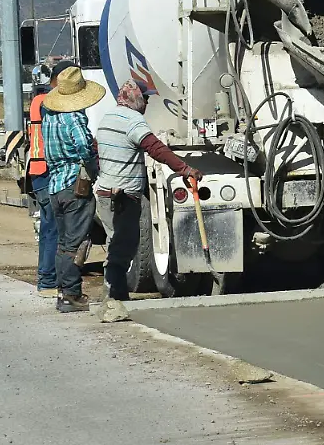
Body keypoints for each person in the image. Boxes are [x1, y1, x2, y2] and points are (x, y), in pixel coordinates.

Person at [93, 80, 202, 323]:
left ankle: (114, 294)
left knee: (116, 243)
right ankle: (113, 300)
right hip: (122, 196)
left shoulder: (109, 116)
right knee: (124, 246)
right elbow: (155, 149)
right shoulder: (133, 121)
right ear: (135, 98)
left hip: (105, 193)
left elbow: (98, 150)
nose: (148, 102)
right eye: (146, 98)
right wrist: (184, 169)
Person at [42, 65, 106, 313]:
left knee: (63, 242)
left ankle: (63, 291)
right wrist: (93, 161)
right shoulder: (74, 116)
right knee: (74, 242)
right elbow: (83, 146)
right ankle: (71, 293)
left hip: (55, 184)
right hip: (74, 184)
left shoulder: (49, 115)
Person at [26, 62, 64, 298]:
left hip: (38, 171)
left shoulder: (37, 101)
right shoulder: (49, 103)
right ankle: (49, 280)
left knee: (49, 229)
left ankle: (47, 278)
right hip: (48, 170)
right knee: (53, 229)